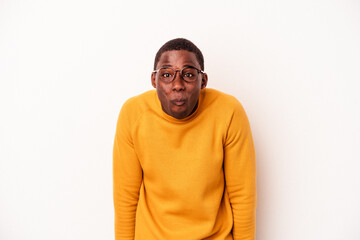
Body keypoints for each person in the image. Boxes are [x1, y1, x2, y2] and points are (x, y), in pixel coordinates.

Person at [113, 38, 257, 240]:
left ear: (203, 81)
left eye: (188, 74)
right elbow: (126, 199)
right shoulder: (133, 114)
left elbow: (242, 196)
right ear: (154, 80)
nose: (177, 85)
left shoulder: (229, 112)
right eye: (167, 75)